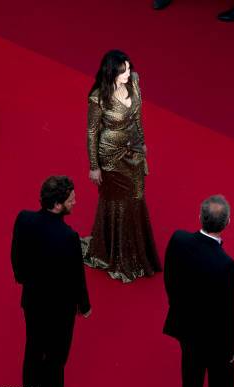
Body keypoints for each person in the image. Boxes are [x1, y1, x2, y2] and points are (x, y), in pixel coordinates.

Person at [11, 176, 91, 387]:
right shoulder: (68, 237)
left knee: (33, 350)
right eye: (71, 199)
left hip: (32, 301)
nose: (75, 202)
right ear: (58, 205)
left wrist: (22, 277)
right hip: (59, 310)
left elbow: (16, 255)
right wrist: (84, 305)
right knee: (56, 358)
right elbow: (77, 277)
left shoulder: (24, 219)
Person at [84, 49, 161, 283]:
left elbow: (138, 116)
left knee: (137, 197)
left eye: (129, 68)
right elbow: (92, 131)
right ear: (111, 73)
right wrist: (94, 166)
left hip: (134, 153)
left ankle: (137, 251)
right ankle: (115, 254)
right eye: (123, 71)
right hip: (110, 157)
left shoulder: (134, 82)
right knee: (118, 202)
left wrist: (143, 143)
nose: (129, 73)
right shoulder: (98, 97)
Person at [163, 195, 234, 387]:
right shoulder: (226, 264)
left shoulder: (178, 239)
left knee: (190, 381)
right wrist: (233, 347)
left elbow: (169, 278)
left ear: (199, 217)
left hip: (185, 328)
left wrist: (177, 306)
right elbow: (229, 310)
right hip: (215, 339)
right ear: (227, 223)